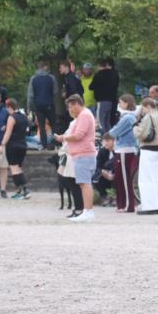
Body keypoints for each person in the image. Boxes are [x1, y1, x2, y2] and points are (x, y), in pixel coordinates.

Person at [55, 94, 97, 222]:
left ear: (77, 104)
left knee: (85, 184)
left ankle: (88, 212)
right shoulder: (84, 115)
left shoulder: (84, 115)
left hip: (83, 154)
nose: (70, 110)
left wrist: (63, 138)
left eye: (71, 107)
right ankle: (86, 211)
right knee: (83, 183)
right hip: (81, 154)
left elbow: (79, 135)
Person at [133, 97, 158, 215]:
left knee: (145, 179)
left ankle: (148, 206)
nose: (142, 111)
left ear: (148, 106)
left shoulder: (149, 117)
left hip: (148, 150)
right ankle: (157, 204)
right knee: (155, 179)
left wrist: (135, 127)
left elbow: (141, 133)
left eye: (143, 108)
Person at [107, 94, 139, 213]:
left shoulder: (128, 118)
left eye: (121, 102)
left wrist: (108, 134)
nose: (119, 105)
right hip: (123, 149)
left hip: (126, 149)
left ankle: (129, 205)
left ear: (126, 103)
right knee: (120, 178)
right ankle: (122, 204)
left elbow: (115, 131)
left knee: (125, 178)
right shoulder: (127, 117)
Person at [27, 61, 57, 149]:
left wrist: (30, 107)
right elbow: (55, 91)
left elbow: (30, 95)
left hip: (38, 105)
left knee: (41, 125)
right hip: (49, 104)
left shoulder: (33, 79)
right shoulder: (51, 78)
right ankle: (54, 143)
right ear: (44, 67)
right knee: (53, 124)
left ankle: (44, 145)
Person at [4, 98, 31, 199]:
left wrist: (2, 144)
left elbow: (8, 133)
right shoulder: (23, 117)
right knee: (19, 168)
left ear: (9, 107)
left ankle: (23, 190)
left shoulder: (11, 117)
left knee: (14, 169)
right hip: (22, 145)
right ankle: (23, 190)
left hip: (13, 145)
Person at [90, 58, 120, 133]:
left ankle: (103, 139)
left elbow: (91, 87)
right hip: (111, 101)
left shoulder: (99, 74)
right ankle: (109, 138)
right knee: (107, 122)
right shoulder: (114, 73)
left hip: (101, 100)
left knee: (100, 122)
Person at [95, 133, 117, 206]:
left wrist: (114, 174)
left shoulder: (118, 151)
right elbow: (98, 166)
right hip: (105, 175)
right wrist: (103, 171)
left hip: (115, 174)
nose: (105, 143)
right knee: (96, 178)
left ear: (114, 141)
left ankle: (116, 197)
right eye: (104, 141)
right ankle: (105, 197)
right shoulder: (102, 151)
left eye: (108, 141)